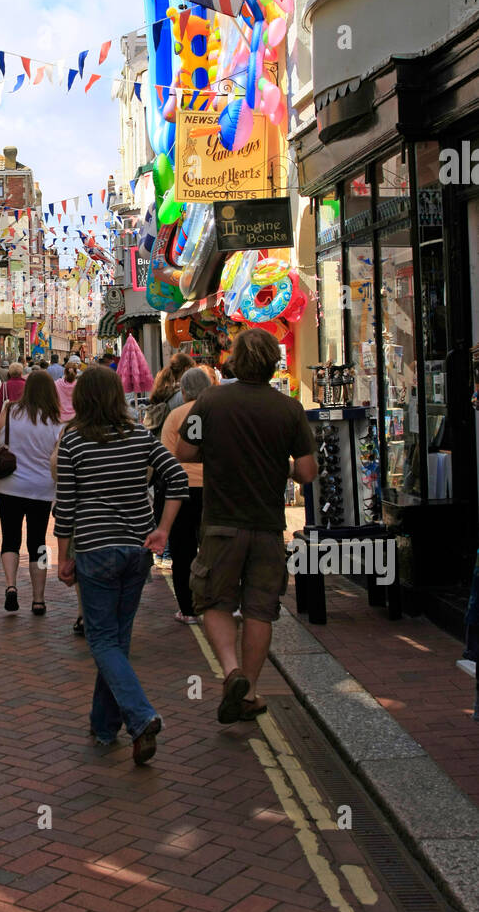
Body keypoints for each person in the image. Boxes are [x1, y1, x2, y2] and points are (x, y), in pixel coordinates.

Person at [176, 328, 318, 723]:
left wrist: (221, 455)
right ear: (273, 361)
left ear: (235, 360)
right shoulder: (289, 409)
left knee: (213, 600)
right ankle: (250, 691)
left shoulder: (210, 401)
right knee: (260, 610)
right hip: (268, 526)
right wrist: (279, 465)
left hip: (221, 522)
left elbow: (184, 450)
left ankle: (231, 670)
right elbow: (307, 472)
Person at [54, 366, 188, 765]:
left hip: (95, 550)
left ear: (82, 399)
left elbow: (65, 508)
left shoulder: (73, 442)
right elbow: (177, 480)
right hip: (136, 551)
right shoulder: (141, 438)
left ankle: (141, 716)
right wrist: (162, 529)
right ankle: (103, 726)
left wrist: (63, 557)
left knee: (103, 641)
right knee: (117, 640)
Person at [0, 372, 64, 616]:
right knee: (38, 543)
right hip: (41, 489)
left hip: (9, 486)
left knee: (10, 539)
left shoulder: (9, 411)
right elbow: (59, 459)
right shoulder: (55, 421)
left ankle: (11, 586)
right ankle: (39, 599)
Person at [161, 368, 213, 625]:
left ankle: (188, 608)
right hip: (213, 488)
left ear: (183, 391)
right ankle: (217, 603)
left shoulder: (175, 416)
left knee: (182, 551)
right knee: (214, 547)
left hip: (180, 490)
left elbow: (165, 458)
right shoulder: (218, 414)